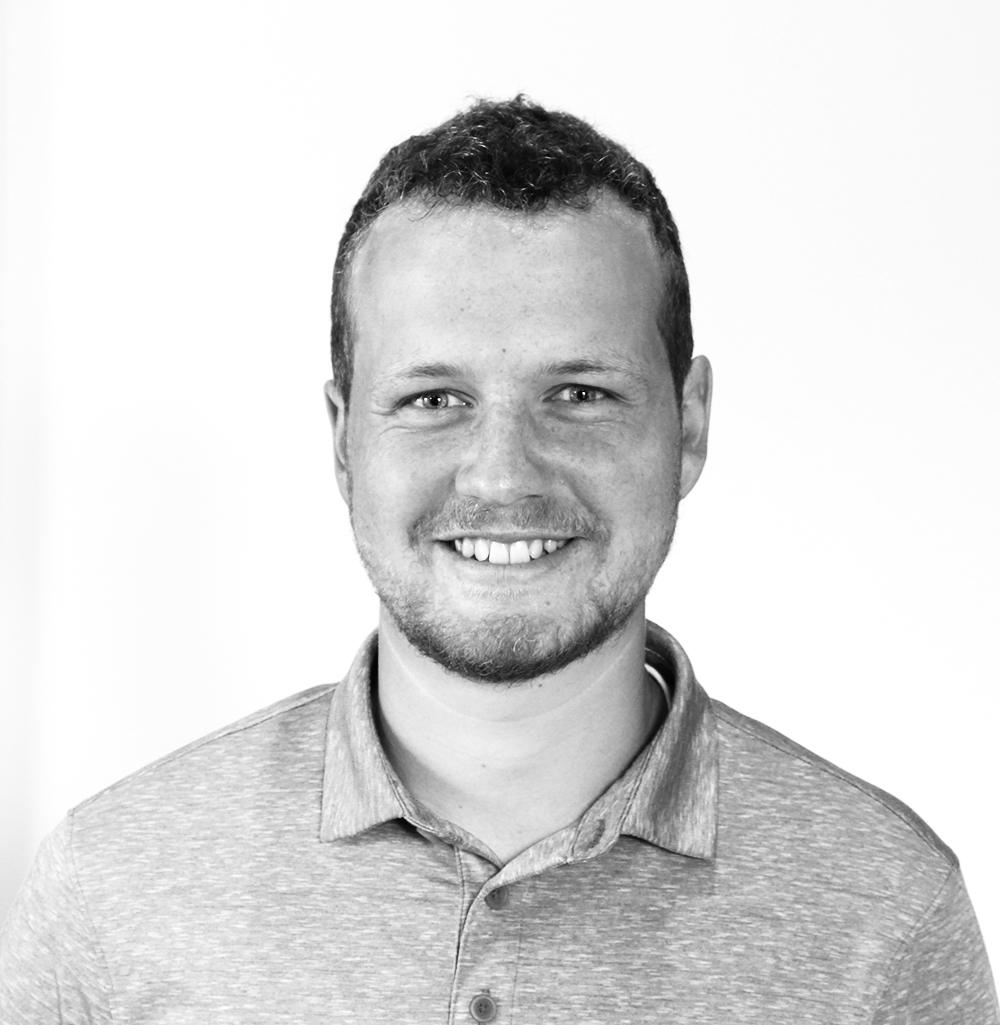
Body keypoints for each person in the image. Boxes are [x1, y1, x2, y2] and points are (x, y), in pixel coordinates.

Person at [1, 96, 996, 1024]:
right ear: (344, 436)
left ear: (688, 424)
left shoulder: (886, 910)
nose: (504, 472)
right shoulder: (111, 891)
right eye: (435, 397)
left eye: (581, 393)